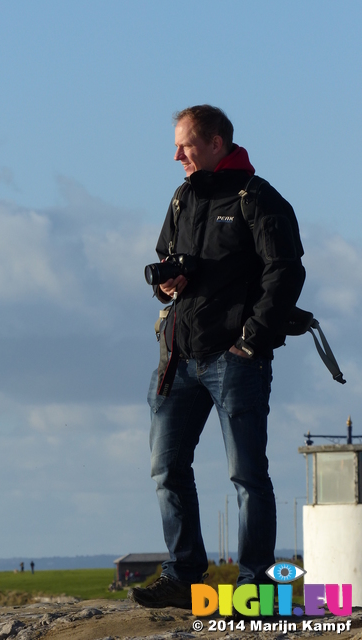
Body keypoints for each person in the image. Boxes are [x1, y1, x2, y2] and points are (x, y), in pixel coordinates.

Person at [129, 105, 305, 610]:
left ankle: (258, 586)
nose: (177, 155)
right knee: (167, 470)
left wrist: (252, 339)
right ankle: (185, 577)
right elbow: (168, 261)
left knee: (247, 474)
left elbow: (286, 271)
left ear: (216, 142)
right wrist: (168, 283)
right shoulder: (183, 198)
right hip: (178, 359)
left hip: (236, 359)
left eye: (185, 145)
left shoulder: (258, 198)